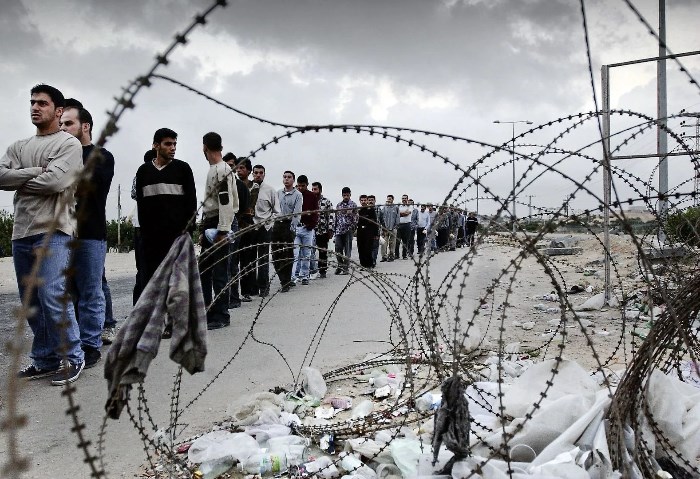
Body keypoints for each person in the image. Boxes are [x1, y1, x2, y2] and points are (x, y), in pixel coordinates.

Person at [0, 84, 85, 385]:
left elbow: (55, 182)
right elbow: (1, 176)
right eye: (32, 103)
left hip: (55, 230)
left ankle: (74, 357)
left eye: (43, 104)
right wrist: (35, 171)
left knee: (52, 293)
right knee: (31, 301)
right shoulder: (19, 147)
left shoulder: (68, 145)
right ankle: (47, 359)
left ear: (58, 110)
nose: (35, 108)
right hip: (22, 231)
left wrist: (20, 178)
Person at [59, 100, 114, 368]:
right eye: (61, 124)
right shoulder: (57, 155)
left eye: (68, 123)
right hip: (60, 233)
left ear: (85, 126)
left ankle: (90, 346)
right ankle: (72, 344)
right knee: (66, 293)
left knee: (91, 291)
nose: (63, 128)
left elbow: (92, 188)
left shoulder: (102, 156)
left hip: (91, 234)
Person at [135, 128, 197, 288]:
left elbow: (191, 205)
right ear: (156, 146)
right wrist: (144, 237)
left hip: (177, 241)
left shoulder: (183, 170)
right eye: (168, 144)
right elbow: (141, 207)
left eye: (175, 144)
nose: (173, 148)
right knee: (151, 286)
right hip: (151, 243)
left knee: (177, 288)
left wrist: (186, 236)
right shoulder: (143, 172)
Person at [199, 132, 237, 330]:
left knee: (219, 272)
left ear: (205, 147)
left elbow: (225, 202)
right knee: (204, 270)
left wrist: (223, 230)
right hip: (211, 222)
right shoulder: (215, 169)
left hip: (219, 223)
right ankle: (208, 310)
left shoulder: (221, 170)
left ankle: (221, 314)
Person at [223, 153, 251, 309]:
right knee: (221, 265)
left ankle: (233, 298)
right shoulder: (218, 184)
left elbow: (246, 212)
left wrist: (239, 228)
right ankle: (222, 297)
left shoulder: (240, 187)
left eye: (232, 164)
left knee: (232, 264)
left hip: (235, 228)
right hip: (219, 228)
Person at [131, 149, 156, 304]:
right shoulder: (143, 174)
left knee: (142, 270)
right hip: (146, 226)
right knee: (146, 269)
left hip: (140, 225)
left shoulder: (138, 175)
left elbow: (134, 194)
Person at [251, 164, 280, 297]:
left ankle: (264, 287)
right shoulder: (247, 187)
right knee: (250, 258)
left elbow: (277, 211)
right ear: (252, 173)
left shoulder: (270, 190)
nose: (258, 175)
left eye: (260, 173)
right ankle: (251, 288)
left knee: (263, 258)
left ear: (264, 174)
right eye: (256, 173)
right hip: (250, 227)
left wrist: (269, 223)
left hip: (264, 227)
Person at [232, 156, 256, 302]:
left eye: (242, 168)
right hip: (235, 225)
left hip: (246, 226)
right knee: (234, 260)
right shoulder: (232, 184)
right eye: (237, 168)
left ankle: (246, 291)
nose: (239, 170)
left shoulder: (254, 187)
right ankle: (234, 292)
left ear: (248, 170)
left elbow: (250, 206)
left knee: (246, 259)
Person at [273, 171, 302, 292]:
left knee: (288, 254)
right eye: (284, 177)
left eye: (289, 177)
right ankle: (282, 278)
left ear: (293, 180)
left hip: (288, 225)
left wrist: (292, 230)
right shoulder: (278, 193)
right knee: (275, 253)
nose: (286, 179)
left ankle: (286, 281)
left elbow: (297, 214)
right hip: (276, 225)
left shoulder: (298, 195)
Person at [293, 175, 319, 285]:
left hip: (307, 228)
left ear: (307, 185)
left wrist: (311, 225)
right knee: (295, 253)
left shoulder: (312, 196)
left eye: (302, 186)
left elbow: (315, 212)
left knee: (306, 253)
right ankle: (294, 276)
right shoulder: (294, 194)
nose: (300, 188)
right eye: (298, 186)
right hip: (295, 227)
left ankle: (304, 276)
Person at [311, 181, 334, 279]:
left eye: (315, 189)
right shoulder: (309, 201)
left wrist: (330, 229)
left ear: (320, 190)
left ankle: (322, 270)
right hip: (311, 230)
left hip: (323, 231)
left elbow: (331, 216)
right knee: (310, 251)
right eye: (312, 189)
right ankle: (311, 271)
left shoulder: (326, 201)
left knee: (323, 251)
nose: (313, 191)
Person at [334, 187, 358, 275]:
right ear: (342, 195)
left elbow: (356, 218)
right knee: (338, 248)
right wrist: (334, 229)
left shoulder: (353, 205)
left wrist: (352, 226)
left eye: (347, 195)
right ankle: (339, 265)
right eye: (344, 195)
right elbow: (336, 218)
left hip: (348, 230)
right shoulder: (338, 205)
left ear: (350, 195)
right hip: (339, 230)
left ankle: (345, 267)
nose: (346, 197)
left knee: (347, 250)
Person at [357, 194, 379, 268]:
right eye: (361, 200)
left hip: (369, 232)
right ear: (360, 201)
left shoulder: (371, 210)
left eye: (364, 200)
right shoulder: (359, 210)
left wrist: (376, 234)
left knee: (368, 248)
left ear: (367, 200)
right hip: (360, 232)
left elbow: (375, 222)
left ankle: (369, 264)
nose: (363, 202)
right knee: (361, 248)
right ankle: (363, 265)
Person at [380, 194, 399, 262]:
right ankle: (384, 256)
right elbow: (381, 217)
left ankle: (391, 256)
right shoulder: (384, 208)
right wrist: (382, 227)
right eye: (388, 199)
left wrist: (396, 226)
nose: (388, 200)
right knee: (384, 243)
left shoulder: (396, 207)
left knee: (392, 243)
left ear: (392, 199)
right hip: (385, 228)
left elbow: (397, 217)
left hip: (393, 228)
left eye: (390, 199)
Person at [396, 194, 412, 259]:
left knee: (405, 241)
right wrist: (402, 213)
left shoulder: (410, 206)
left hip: (407, 225)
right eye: (403, 198)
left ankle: (404, 255)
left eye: (405, 198)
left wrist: (400, 214)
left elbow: (407, 214)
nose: (404, 200)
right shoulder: (398, 206)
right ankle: (396, 255)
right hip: (399, 225)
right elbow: (396, 214)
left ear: (407, 199)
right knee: (397, 241)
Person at [368, 195, 380, 267]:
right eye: (369, 200)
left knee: (375, 247)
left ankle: (373, 260)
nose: (371, 201)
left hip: (376, 231)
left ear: (375, 201)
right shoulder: (365, 209)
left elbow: (381, 219)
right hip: (367, 231)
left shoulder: (378, 209)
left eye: (372, 200)